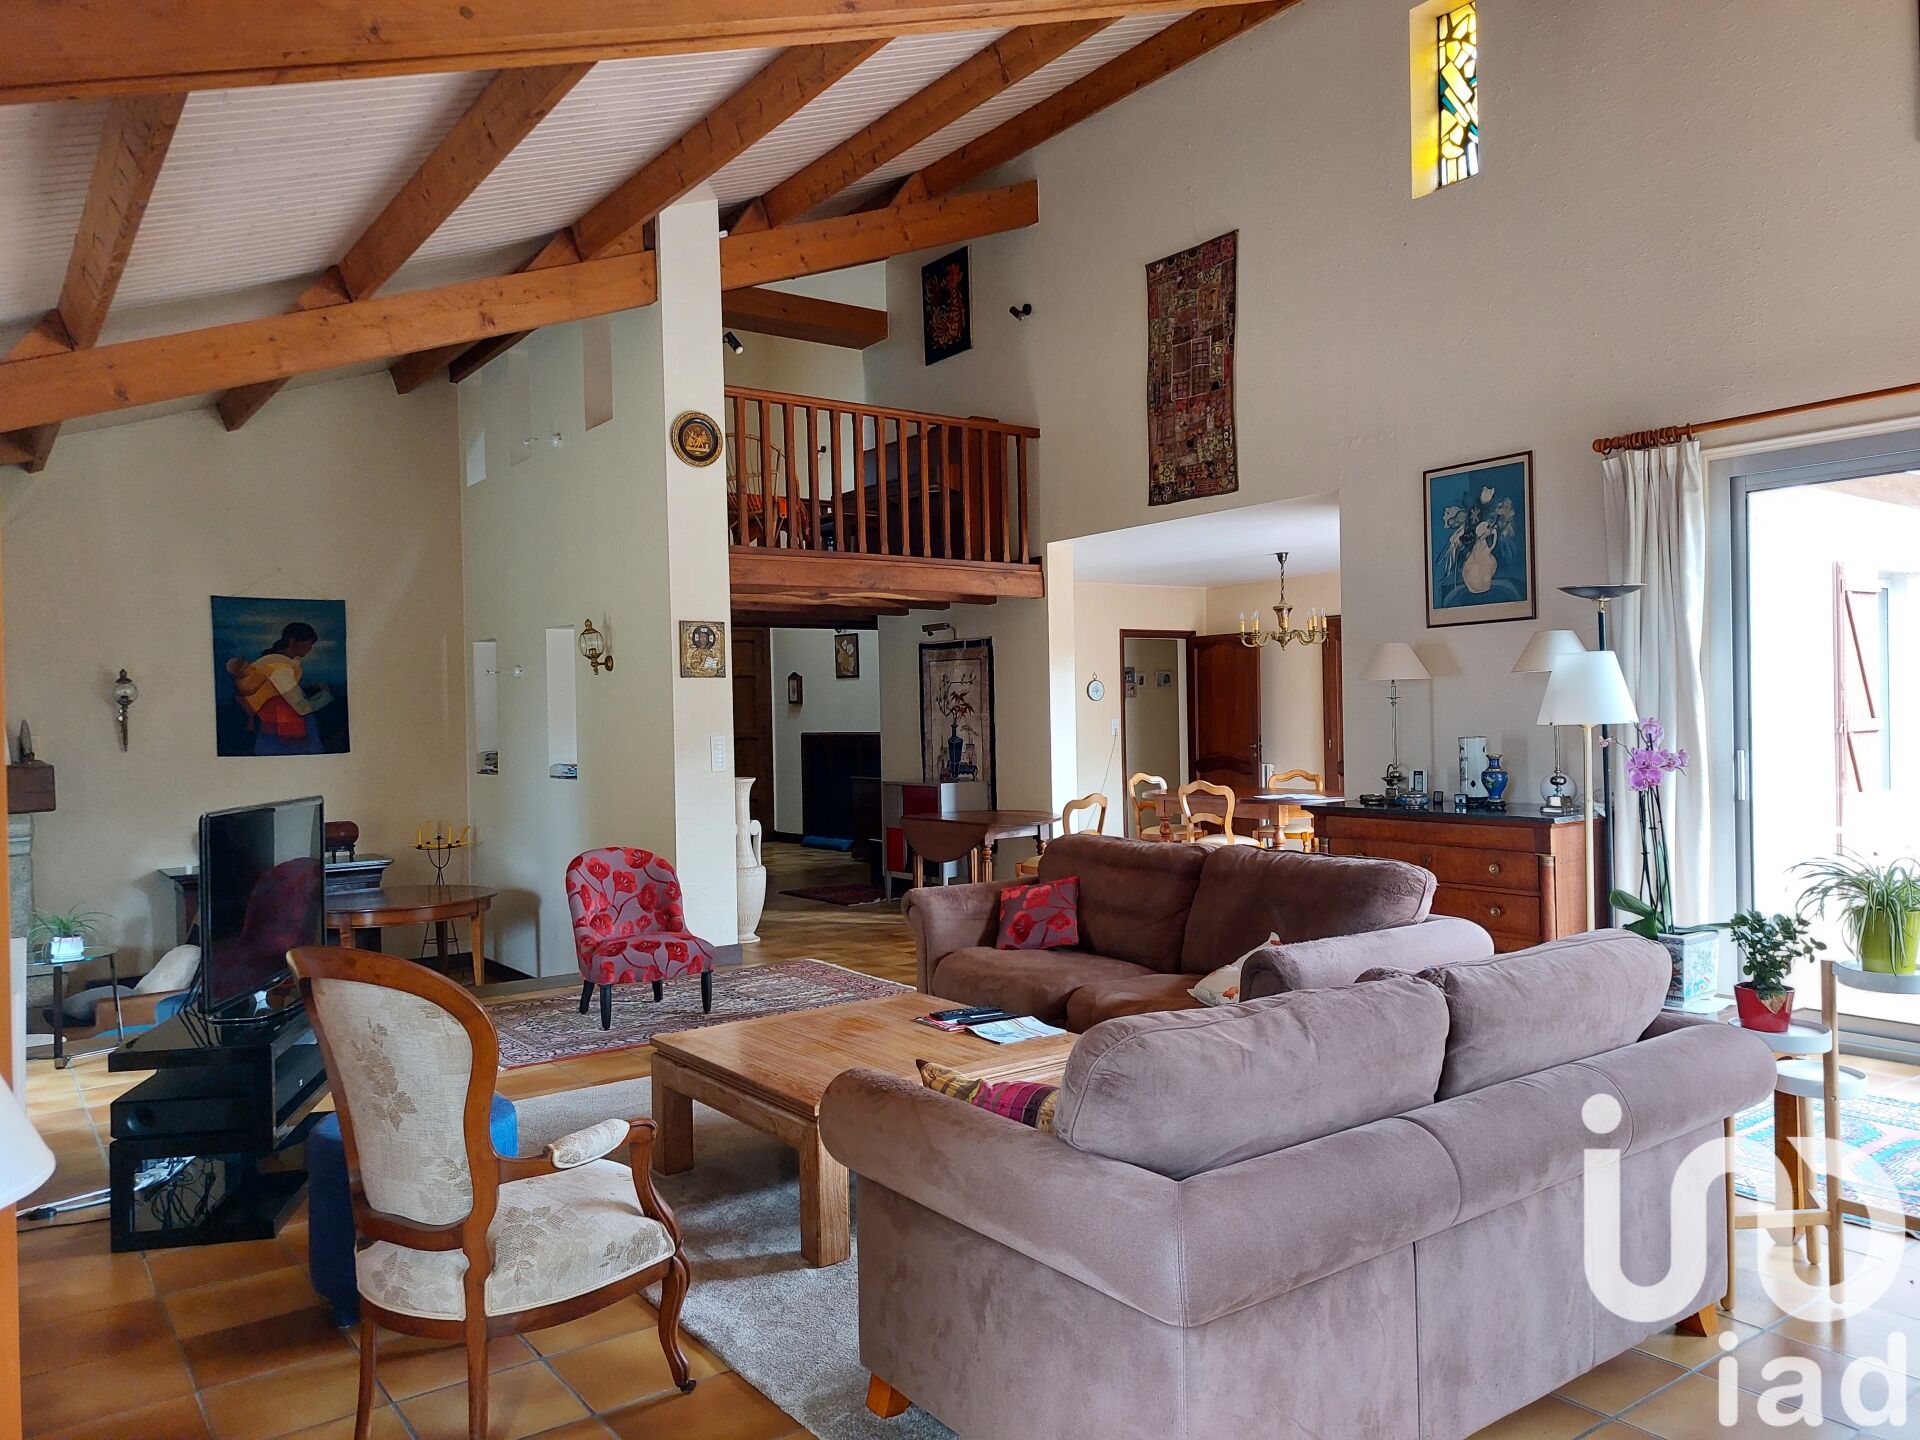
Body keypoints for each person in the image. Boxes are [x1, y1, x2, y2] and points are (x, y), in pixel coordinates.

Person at [226, 622, 334, 756]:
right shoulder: (280, 667)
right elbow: (301, 707)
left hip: (273, 727)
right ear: (292, 641)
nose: (310, 648)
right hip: (285, 729)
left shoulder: (270, 662)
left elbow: (276, 691)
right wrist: (326, 695)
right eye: (309, 643)